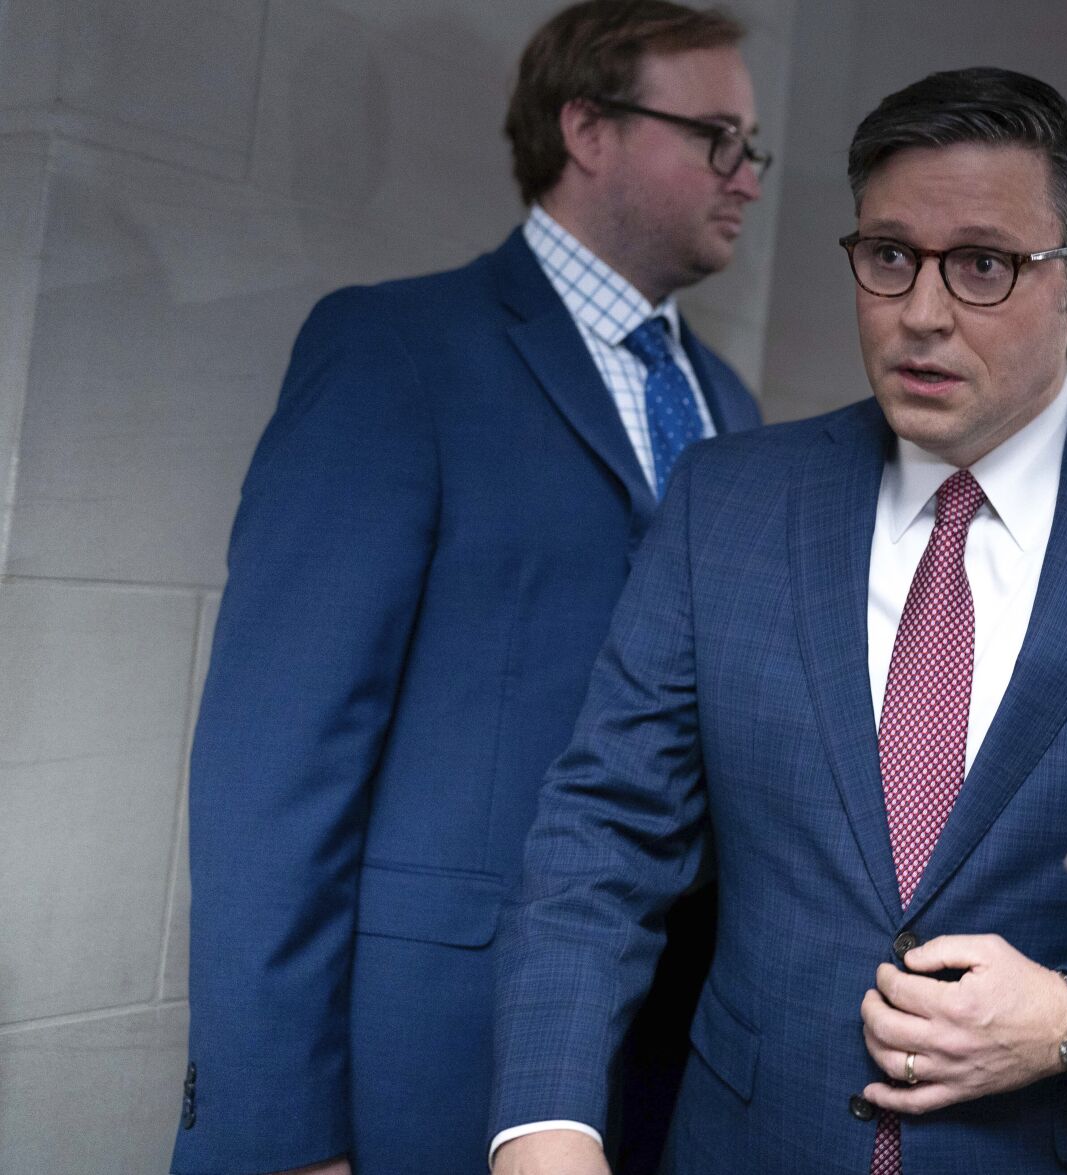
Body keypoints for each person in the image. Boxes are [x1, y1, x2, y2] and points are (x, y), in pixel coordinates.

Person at [488, 67, 1067, 1175]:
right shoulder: (730, 505)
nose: (921, 312)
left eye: (984, 265)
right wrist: (547, 1125)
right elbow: (603, 835)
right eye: (890, 255)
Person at [173, 4, 766, 1173]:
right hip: (417, 1060)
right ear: (586, 129)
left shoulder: (730, 406)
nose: (745, 175)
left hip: (658, 1075)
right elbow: (277, 756)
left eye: (754, 147)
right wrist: (276, 1128)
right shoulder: (396, 350)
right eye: (715, 137)